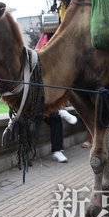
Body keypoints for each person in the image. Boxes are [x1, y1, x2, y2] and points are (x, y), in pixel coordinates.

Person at [35, 31, 77, 162]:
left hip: (45, 108)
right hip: (31, 108)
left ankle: (57, 151)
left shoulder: (51, 75)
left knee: (55, 118)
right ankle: (61, 112)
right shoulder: (33, 71)